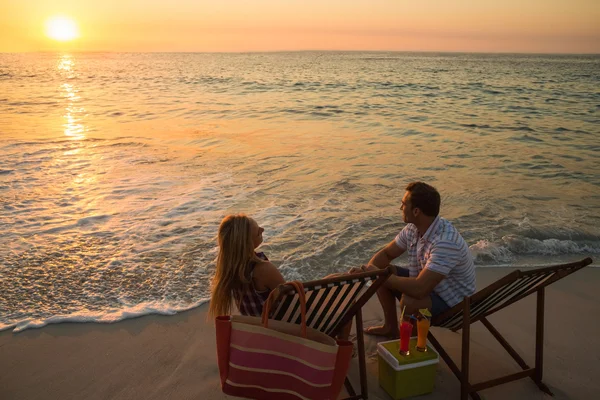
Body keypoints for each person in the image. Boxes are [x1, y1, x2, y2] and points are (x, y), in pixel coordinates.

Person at [354, 181, 475, 337]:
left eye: (403, 204)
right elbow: (387, 254)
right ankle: (390, 327)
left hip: (452, 301)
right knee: (384, 271)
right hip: (431, 286)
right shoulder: (414, 228)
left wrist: (379, 276)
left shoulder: (445, 242)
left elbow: (419, 289)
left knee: (409, 301)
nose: (400, 208)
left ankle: (408, 346)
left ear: (416, 211)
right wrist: (369, 273)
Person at [208, 214, 285, 318]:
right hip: (278, 328)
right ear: (247, 242)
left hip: (254, 326)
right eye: (258, 231)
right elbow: (291, 299)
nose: (262, 229)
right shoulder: (263, 269)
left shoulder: (232, 268)